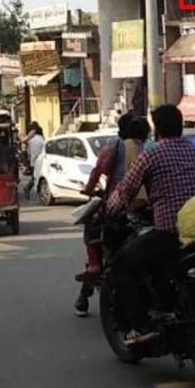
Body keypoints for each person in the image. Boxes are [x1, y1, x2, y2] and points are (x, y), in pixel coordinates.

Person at [105, 104, 195, 344]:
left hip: (171, 232)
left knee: (122, 264)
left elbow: (125, 191)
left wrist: (109, 211)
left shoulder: (152, 155)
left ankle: (140, 326)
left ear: (157, 129)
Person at [73, 114, 150, 317]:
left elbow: (98, 171)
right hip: (149, 207)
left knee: (93, 228)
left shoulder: (115, 148)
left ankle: (94, 267)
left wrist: (89, 190)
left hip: (120, 204)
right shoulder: (152, 148)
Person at [23, 123, 45, 200]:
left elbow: (28, 152)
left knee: (35, 177)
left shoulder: (31, 141)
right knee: (37, 178)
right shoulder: (41, 140)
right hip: (40, 162)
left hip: (33, 162)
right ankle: (28, 188)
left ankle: (28, 189)